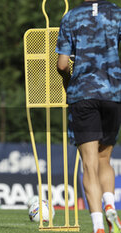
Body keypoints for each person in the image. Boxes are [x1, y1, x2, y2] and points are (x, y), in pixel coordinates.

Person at [56, 1, 121, 233]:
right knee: (105, 159)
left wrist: (69, 83)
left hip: (83, 94)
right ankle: (111, 205)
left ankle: (97, 227)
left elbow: (62, 64)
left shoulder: (71, 17)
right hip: (113, 94)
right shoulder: (117, 13)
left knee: (89, 164)